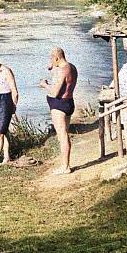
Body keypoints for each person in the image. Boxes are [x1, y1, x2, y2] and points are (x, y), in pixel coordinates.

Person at [40, 47, 77, 175]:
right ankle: (65, 163)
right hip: (68, 102)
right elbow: (62, 79)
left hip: (59, 104)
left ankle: (65, 166)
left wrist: (45, 85)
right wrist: (52, 67)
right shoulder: (71, 67)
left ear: (56, 58)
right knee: (64, 134)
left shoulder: (62, 71)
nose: (50, 61)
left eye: (52, 58)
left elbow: (55, 92)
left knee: (62, 136)